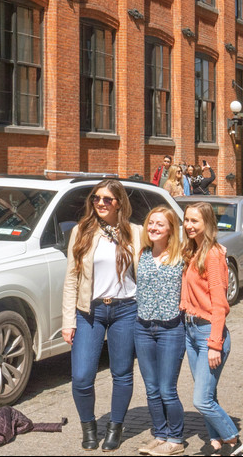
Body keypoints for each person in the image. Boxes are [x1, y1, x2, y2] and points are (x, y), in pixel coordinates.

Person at [62, 179, 143, 451]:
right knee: (82, 376)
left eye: (107, 199)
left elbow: (171, 246)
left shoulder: (136, 232)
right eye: (96, 198)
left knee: (122, 373)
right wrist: (67, 321)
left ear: (119, 202)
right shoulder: (81, 231)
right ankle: (89, 426)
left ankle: (115, 427)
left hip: (126, 309)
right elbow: (71, 278)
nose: (100, 203)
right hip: (90, 311)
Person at [180, 203, 241, 456]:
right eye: (186, 220)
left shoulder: (213, 255)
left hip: (208, 334)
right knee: (208, 393)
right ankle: (215, 442)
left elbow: (220, 305)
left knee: (201, 400)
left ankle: (232, 439)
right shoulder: (192, 251)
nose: (189, 225)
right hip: (191, 331)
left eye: (195, 221)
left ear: (208, 224)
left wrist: (215, 343)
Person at [133, 207, 187, 456]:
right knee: (151, 388)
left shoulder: (182, 255)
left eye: (160, 224)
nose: (154, 227)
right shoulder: (141, 253)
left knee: (167, 388)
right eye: (151, 223)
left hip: (170, 329)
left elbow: (207, 253)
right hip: (143, 327)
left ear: (171, 229)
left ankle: (176, 439)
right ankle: (160, 434)